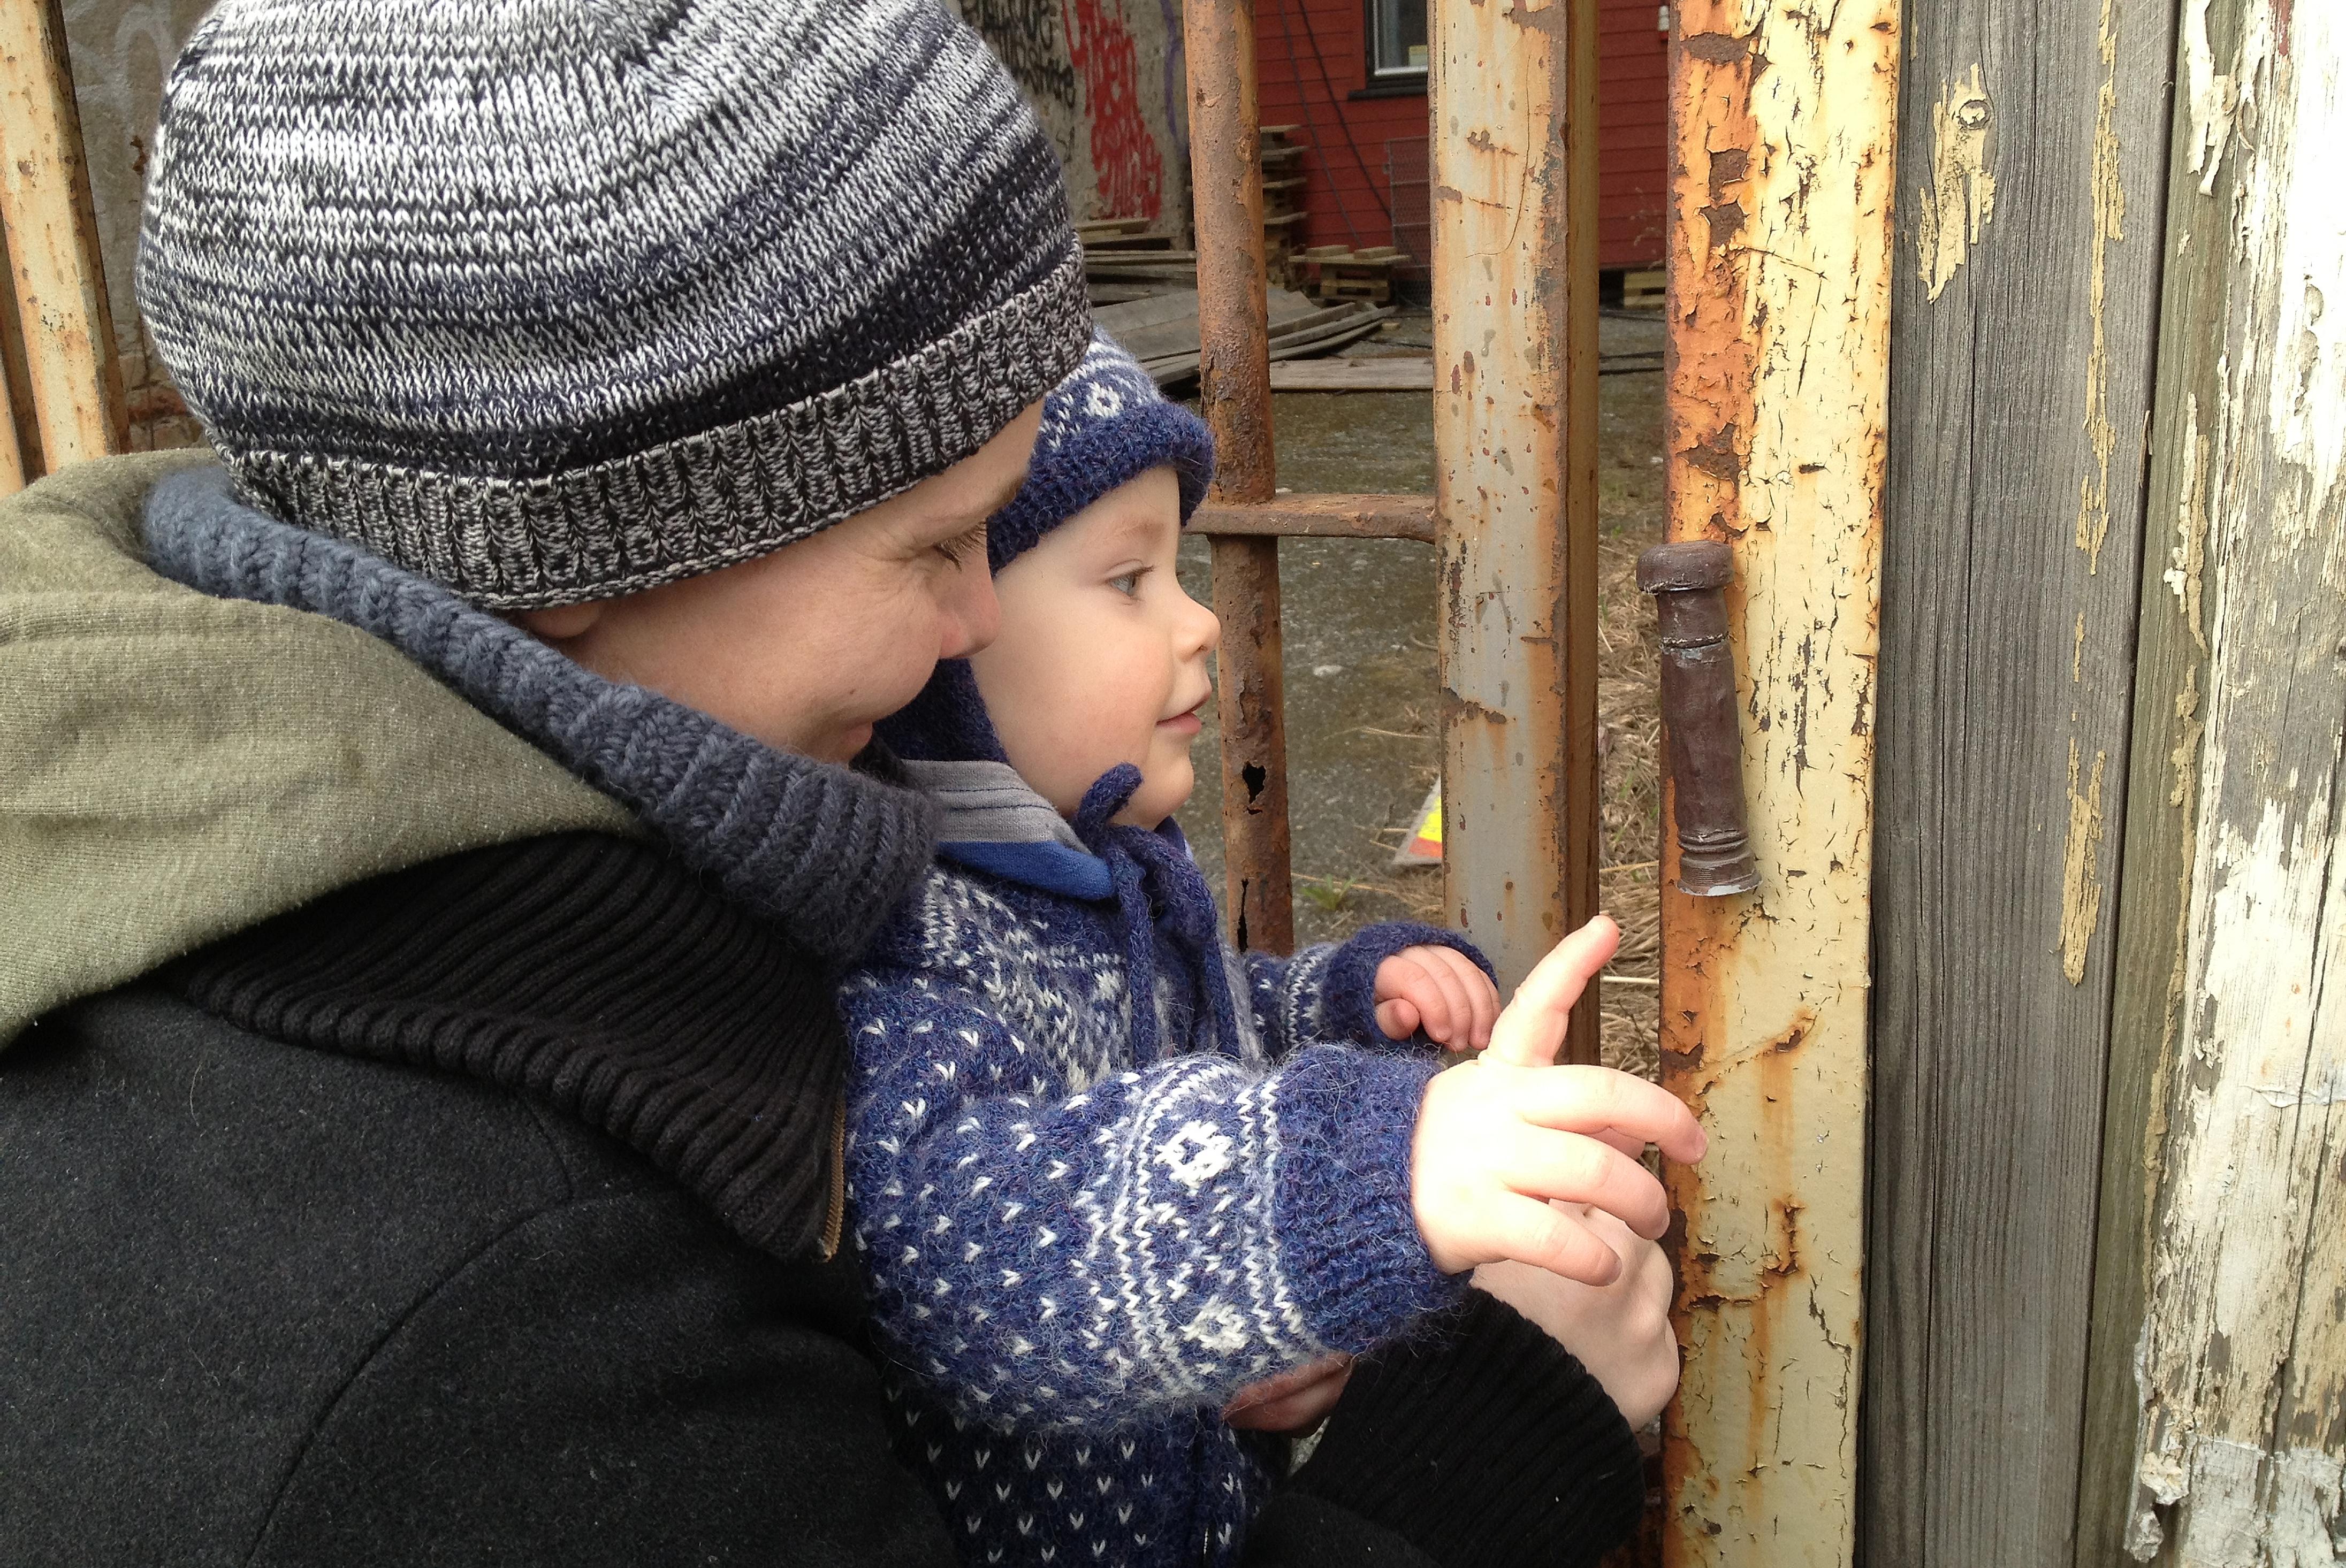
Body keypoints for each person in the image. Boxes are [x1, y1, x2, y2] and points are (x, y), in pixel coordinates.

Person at [0, 3, 1698, 1564]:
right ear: (580, 539)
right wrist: (1491, 1434)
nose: (976, 628)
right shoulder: (472, 1320)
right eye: (940, 545)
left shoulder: (557, 899)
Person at [843, 333, 1702, 1566]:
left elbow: (1208, 1021)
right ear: (954, 647)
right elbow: (970, 1237)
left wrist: (1344, 1003)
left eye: (1180, 569)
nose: (1198, 621)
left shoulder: (1113, 864)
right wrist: (1343, 1183)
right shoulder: (915, 934)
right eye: (1127, 580)